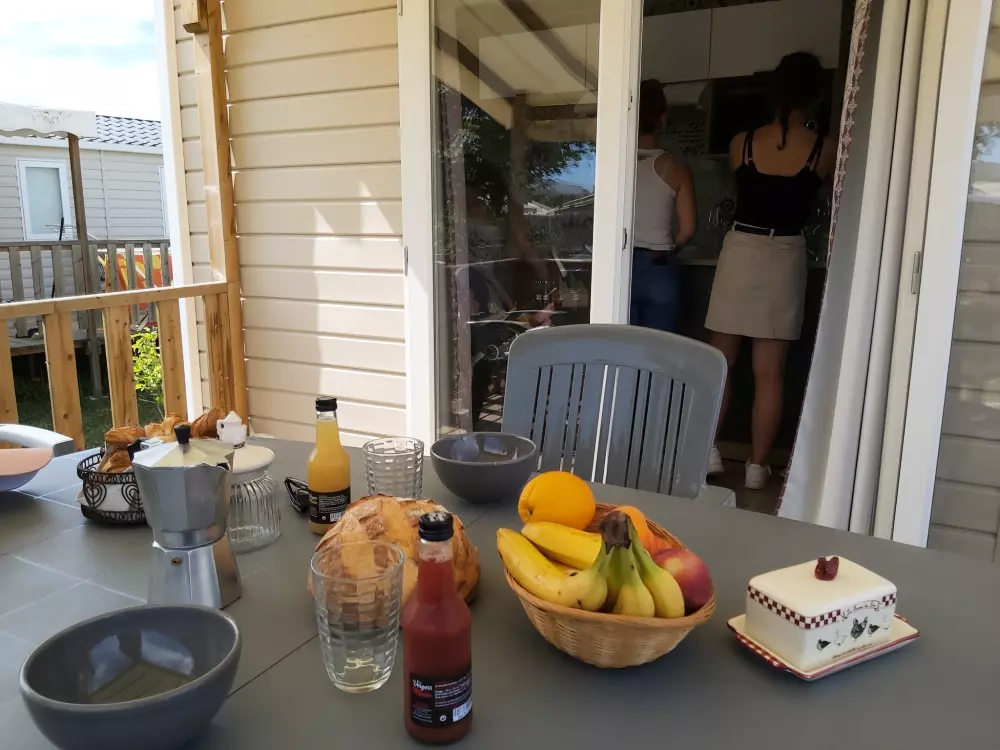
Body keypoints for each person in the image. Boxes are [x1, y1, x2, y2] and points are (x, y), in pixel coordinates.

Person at [704, 52, 836, 489]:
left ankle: (709, 450)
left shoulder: (741, 143)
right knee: (770, 373)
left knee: (720, 363)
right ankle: (758, 468)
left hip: (741, 249)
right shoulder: (824, 148)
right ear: (815, 96)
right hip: (786, 254)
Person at [630, 79, 697, 332]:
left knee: (621, 348)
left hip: (620, 267)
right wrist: (665, 250)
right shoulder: (675, 167)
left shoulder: (614, 162)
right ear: (663, 119)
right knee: (658, 349)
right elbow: (688, 230)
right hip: (658, 267)